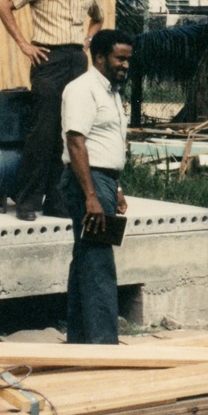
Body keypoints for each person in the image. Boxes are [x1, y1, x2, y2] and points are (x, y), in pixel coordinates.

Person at [0, 0, 104, 221]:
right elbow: (4, 6)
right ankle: (27, 201)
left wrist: (88, 40)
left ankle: (56, 201)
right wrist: (23, 43)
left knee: (70, 131)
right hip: (48, 58)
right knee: (42, 131)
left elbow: (99, 17)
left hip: (76, 61)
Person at [58, 29, 133, 344]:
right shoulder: (82, 89)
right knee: (99, 263)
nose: (125, 65)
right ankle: (104, 345)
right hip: (86, 182)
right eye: (120, 58)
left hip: (103, 181)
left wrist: (114, 187)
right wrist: (91, 196)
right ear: (99, 56)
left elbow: (105, 143)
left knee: (85, 259)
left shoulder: (112, 93)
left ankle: (79, 340)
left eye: (128, 59)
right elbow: (76, 142)